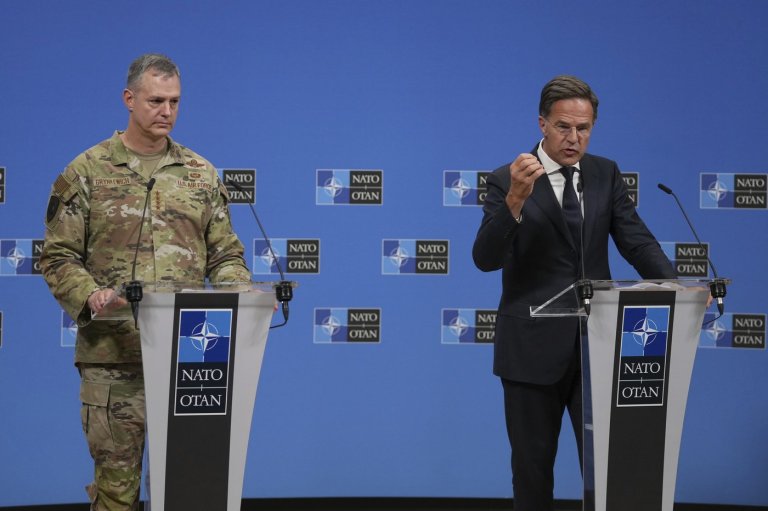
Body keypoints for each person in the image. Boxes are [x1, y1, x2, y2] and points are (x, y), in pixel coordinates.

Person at [40, 54, 251, 510]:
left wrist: (239, 291)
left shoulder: (200, 174)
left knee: (191, 493)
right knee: (116, 494)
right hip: (114, 361)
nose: (167, 111)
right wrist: (91, 295)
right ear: (129, 99)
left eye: (175, 101)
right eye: (156, 100)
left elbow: (226, 254)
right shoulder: (86, 172)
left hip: (191, 360)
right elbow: (57, 257)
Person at [472, 75, 677, 511]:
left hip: (596, 348)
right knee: (532, 472)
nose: (574, 138)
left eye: (583, 128)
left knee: (608, 471)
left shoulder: (604, 173)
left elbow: (636, 241)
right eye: (563, 127)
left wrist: (674, 288)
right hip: (530, 351)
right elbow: (486, 258)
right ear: (542, 124)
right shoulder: (505, 179)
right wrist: (515, 200)